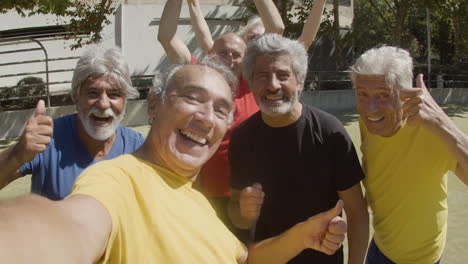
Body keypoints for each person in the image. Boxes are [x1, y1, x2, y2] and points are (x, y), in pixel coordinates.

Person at [0, 59, 348, 264]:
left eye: (221, 110)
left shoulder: (194, 199)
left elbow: (243, 259)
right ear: (154, 106)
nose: (207, 118)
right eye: (193, 99)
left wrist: (301, 236)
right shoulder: (117, 180)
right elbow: (69, 227)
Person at [229, 34, 369, 264]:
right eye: (262, 76)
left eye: (283, 75)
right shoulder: (242, 138)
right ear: (251, 82)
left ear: (300, 81)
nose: (273, 85)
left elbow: (357, 213)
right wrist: (243, 212)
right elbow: (238, 217)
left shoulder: (330, 133)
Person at [350, 46, 468, 264]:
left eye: (383, 94)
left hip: (423, 259)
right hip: (380, 249)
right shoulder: (368, 122)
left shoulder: (431, 131)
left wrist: (442, 123)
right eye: (362, 94)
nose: (371, 108)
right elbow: (378, 170)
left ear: (405, 94)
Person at [158, 0, 260, 232]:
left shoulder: (253, 84)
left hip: (246, 197)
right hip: (203, 193)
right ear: (212, 56)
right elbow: (166, 37)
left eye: (236, 54)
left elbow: (277, 29)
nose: (230, 59)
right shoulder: (200, 78)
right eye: (223, 53)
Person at [0, 45, 145, 200]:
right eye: (93, 93)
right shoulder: (48, 139)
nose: (103, 104)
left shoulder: (138, 147)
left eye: (114, 94)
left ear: (125, 101)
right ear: (76, 97)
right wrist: (17, 153)